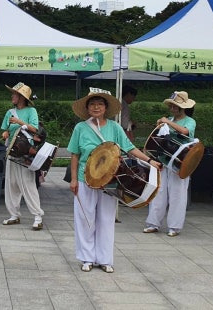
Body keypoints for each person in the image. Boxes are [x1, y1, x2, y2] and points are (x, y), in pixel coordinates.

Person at [67, 88, 160, 273]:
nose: (96, 107)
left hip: (110, 181)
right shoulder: (80, 128)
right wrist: (73, 180)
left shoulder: (115, 127)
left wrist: (149, 161)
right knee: (85, 219)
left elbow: (130, 148)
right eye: (92, 104)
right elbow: (75, 155)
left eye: (100, 104)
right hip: (85, 179)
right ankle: (87, 258)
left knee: (106, 219)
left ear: (106, 107)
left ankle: (105, 259)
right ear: (87, 108)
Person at [144, 91, 196, 237]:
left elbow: (185, 132)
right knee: (159, 192)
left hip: (181, 161)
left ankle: (174, 226)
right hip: (164, 159)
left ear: (183, 107)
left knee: (177, 194)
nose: (172, 109)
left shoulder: (189, 121)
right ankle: (153, 223)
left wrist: (167, 122)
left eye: (175, 106)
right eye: (171, 106)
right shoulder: (170, 119)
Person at [0, 82, 44, 230]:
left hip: (25, 152)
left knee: (28, 184)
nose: (12, 96)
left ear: (22, 97)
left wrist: (19, 122)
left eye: (15, 94)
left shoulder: (31, 111)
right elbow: (6, 129)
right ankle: (14, 214)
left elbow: (35, 130)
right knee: (11, 184)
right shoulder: (9, 112)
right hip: (12, 150)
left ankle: (37, 216)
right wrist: (5, 133)